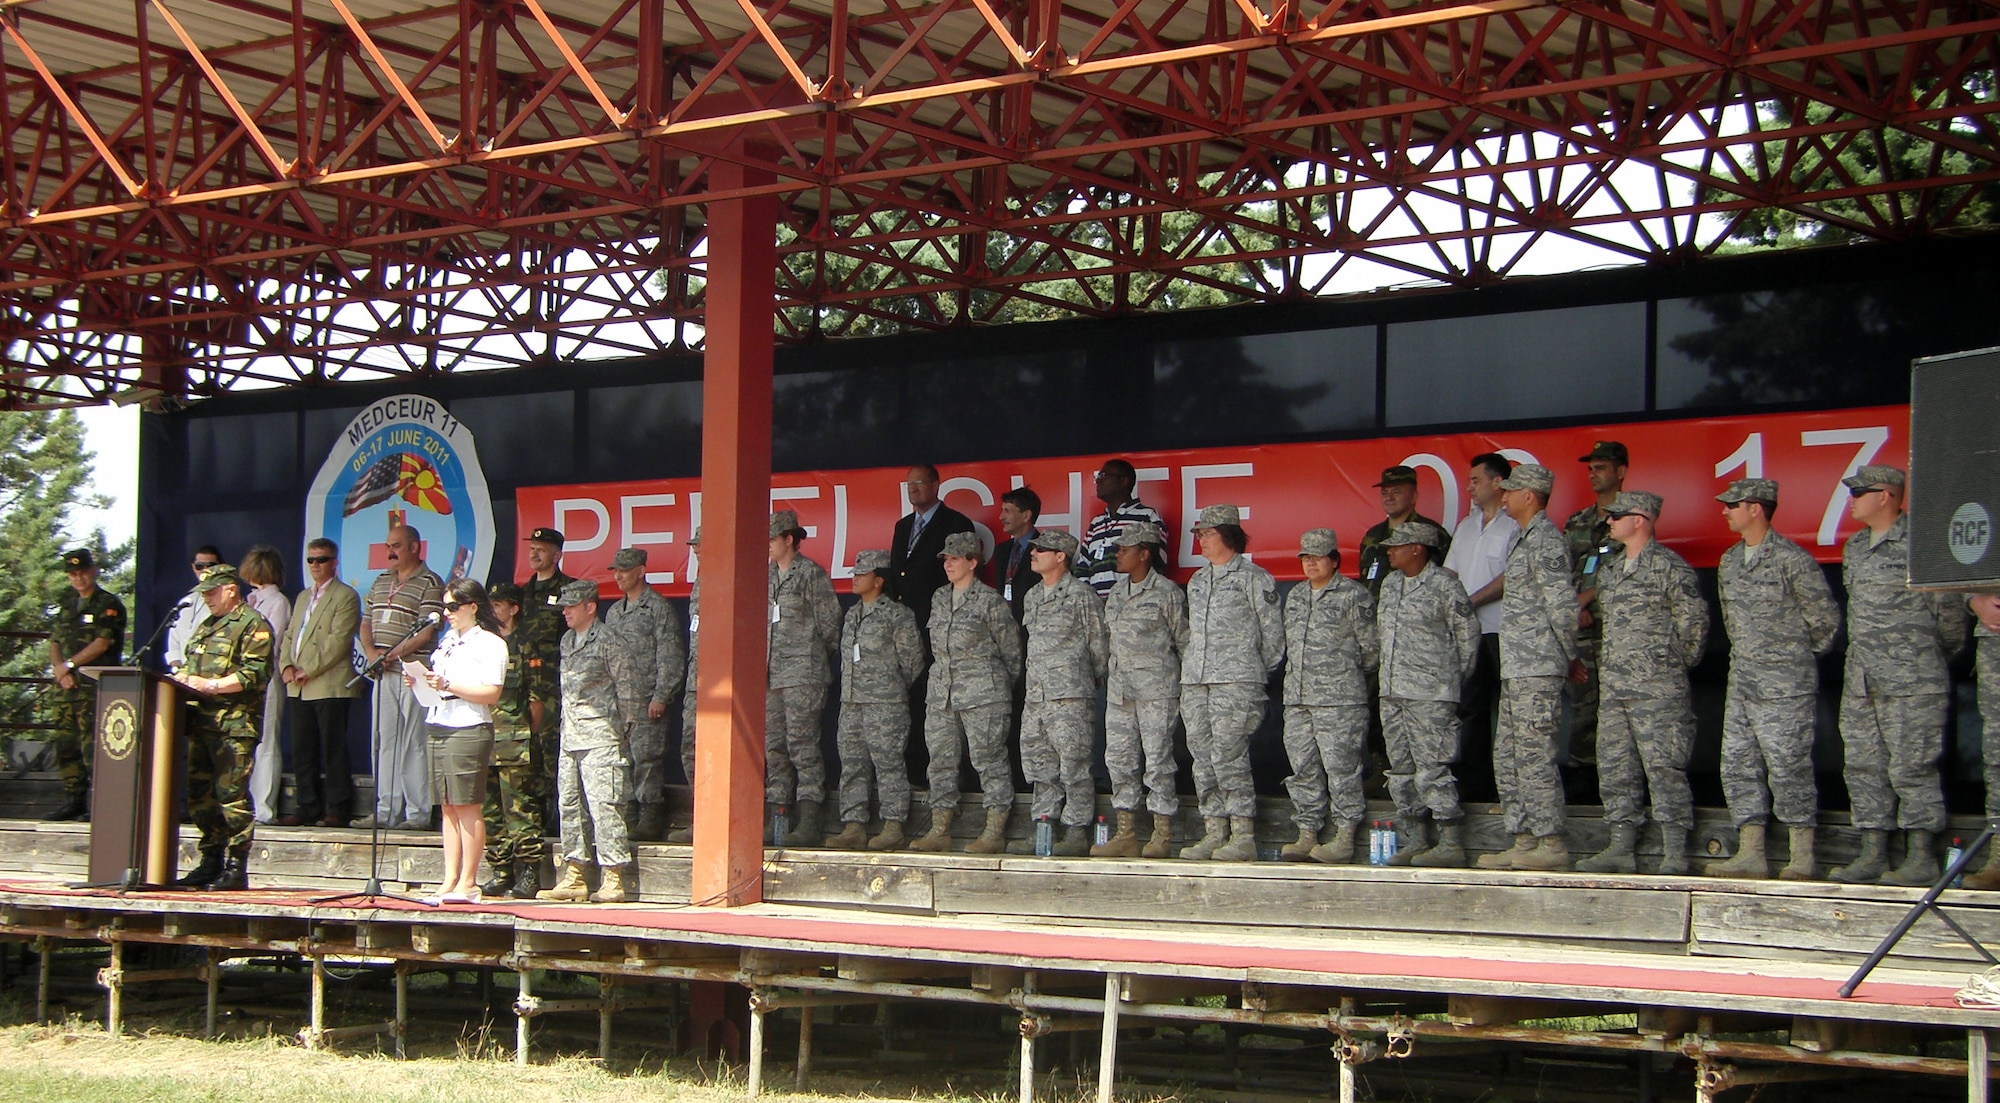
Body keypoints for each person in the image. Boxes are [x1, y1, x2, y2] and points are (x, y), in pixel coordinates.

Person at [1831, 466, 1970, 886]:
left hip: (1914, 676)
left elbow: (1949, 615)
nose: (1852, 499)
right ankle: (1873, 851)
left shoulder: (1921, 544)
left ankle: (1922, 855)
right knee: (1863, 765)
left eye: (1861, 492)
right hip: (1863, 679)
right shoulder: (1855, 547)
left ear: (1887, 496)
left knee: (1913, 766)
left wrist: (1926, 657)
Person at [1708, 479, 1840, 881]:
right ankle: (1751, 851)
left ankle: (1801, 856)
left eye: (1733, 504)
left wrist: (1790, 659)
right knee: (1737, 763)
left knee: (1787, 764)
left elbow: (1825, 621)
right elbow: (1732, 622)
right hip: (1743, 680)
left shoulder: (1790, 559)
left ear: (1756, 508)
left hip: (1785, 682)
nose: (1725, 511)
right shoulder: (1730, 560)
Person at [1576, 492, 1710, 876]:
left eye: (1618, 516)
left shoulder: (1669, 567)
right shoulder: (1611, 571)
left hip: (1658, 689)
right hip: (1617, 688)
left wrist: (1668, 667)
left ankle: (1674, 850)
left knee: (1664, 767)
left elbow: (1694, 626)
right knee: (1616, 767)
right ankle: (1621, 845)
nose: (1610, 522)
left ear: (1640, 520)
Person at [1478, 465, 1576, 872]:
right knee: (1509, 756)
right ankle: (1524, 839)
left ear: (1530, 496)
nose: (1504, 496)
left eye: (1511, 491)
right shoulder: (1522, 538)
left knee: (1535, 756)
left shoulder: (1547, 540)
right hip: (1516, 666)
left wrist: (1567, 656)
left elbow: (1563, 604)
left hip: (1537, 665)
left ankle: (1551, 841)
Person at [1181, 504, 1285, 862]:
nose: (1200, 541)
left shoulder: (1253, 578)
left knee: (1230, 756)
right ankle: (1214, 830)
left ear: (1228, 535)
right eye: (1198, 534)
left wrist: (1249, 672)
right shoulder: (1197, 581)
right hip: (1197, 681)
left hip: (1236, 681)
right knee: (1202, 756)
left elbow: (1273, 637)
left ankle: (1242, 834)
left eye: (1206, 534)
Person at [909, 531, 1021, 854]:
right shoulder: (939, 598)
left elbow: (1011, 652)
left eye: (955, 558)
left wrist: (995, 686)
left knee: (988, 759)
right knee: (940, 761)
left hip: (983, 693)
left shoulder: (989, 601)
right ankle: (940, 827)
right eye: (946, 559)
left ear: (973, 562)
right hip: (942, 693)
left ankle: (994, 829)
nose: (948, 564)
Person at [1374, 522, 1479, 868]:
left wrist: (1446, 680)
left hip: (1431, 693)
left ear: (1417, 548)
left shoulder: (1444, 585)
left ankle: (1449, 840)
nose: (1390, 551)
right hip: (1393, 692)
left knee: (1432, 767)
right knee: (1401, 770)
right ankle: (1416, 838)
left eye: (1397, 546)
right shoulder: (1390, 585)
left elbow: (1467, 637)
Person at [1279, 528, 1380, 865]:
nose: (1311, 563)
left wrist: (1343, 679)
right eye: (1306, 557)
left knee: (1341, 768)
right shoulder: (1295, 596)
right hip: (1298, 698)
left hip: (1340, 699)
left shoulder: (1354, 595)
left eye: (1318, 557)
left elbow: (1371, 650)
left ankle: (1344, 835)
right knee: (1303, 767)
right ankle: (1307, 831)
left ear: (1335, 560)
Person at [172, 564, 275, 891]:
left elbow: (253, 676)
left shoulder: (253, 625)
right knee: (200, 797)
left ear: (231, 589)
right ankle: (211, 859)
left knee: (231, 795)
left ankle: (236, 865)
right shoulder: (205, 627)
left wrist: (210, 685)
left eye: (212, 592)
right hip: (200, 724)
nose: (207, 598)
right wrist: (183, 680)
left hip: (233, 726)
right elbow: (190, 668)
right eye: (203, 593)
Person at [539, 580, 637, 903]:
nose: (565, 611)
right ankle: (576, 873)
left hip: (602, 737)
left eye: (571, 606)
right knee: (569, 805)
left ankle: (612, 877)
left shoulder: (609, 640)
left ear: (590, 607)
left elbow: (629, 690)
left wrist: (622, 731)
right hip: (571, 736)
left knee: (604, 806)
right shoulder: (568, 640)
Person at [410, 579, 506, 904]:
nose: (446, 613)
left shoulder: (490, 643)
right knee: (447, 806)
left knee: (467, 804)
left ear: (472, 607)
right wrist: (420, 681)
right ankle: (449, 877)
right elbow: (435, 685)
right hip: (438, 721)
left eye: (453, 606)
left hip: (468, 725)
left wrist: (449, 683)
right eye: (444, 606)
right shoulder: (448, 640)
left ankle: (469, 880)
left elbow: (491, 693)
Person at [1096, 522, 1188, 858]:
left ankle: (1162, 833)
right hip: (1121, 692)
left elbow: (1184, 642)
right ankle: (1126, 832)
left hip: (1156, 691)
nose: (1117, 554)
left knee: (1158, 761)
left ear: (1144, 554)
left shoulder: (1166, 593)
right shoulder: (1117, 593)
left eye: (1125, 549)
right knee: (1119, 761)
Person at [1017, 529, 1109, 856]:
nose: (1034, 552)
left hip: (1070, 695)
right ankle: (1044, 823)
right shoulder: (1031, 596)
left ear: (1061, 556)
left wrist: (1083, 681)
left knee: (1074, 764)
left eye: (1042, 549)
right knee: (1040, 764)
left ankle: (1076, 828)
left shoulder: (1081, 596)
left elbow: (1099, 646)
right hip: (1037, 696)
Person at [826, 550, 926, 850]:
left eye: (862, 574)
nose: (855, 578)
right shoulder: (853, 613)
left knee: (888, 762)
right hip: (852, 703)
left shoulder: (897, 615)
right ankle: (854, 825)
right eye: (854, 573)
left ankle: (893, 824)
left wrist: (890, 687)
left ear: (879, 580)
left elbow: (912, 661)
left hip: (885, 703)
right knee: (852, 763)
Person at [354, 525, 444, 830]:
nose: (390, 552)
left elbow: (427, 631)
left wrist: (390, 654)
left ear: (415, 547)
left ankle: (417, 814)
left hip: (413, 672)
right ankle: (384, 810)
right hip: (382, 672)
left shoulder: (431, 582)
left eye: (396, 546)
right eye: (388, 546)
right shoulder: (380, 581)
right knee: (383, 741)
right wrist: (370, 653)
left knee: (414, 743)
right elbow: (366, 622)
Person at [1441, 453, 1515, 802]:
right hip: (1467, 633)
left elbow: (1511, 577)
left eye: (1474, 480)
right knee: (1470, 708)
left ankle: (1510, 788)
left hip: (1503, 629)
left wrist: (1470, 601)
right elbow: (1450, 573)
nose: (1468, 487)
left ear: (1497, 482)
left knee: (1510, 710)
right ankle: (1475, 786)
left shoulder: (1515, 523)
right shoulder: (1466, 526)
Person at [767, 509, 843, 847]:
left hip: (804, 674)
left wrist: (812, 661)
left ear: (789, 539)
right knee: (774, 748)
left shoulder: (811, 574)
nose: (766, 546)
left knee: (803, 745)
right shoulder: (765, 576)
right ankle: (779, 819)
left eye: (772, 539)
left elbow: (830, 626)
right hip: (770, 676)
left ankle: (810, 820)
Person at [276, 538, 361, 828]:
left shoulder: (346, 596)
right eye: (311, 560)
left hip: (329, 683)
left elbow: (339, 641)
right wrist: (285, 664)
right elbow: (290, 634)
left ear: (334, 562)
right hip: (298, 685)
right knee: (302, 748)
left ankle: (338, 807)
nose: (315, 565)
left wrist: (308, 669)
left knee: (332, 747)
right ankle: (307, 805)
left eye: (321, 559)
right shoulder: (302, 596)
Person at [604, 547, 686, 840]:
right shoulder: (614, 612)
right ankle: (628, 813)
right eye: (616, 570)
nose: (619, 576)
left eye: (624, 570)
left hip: (647, 698)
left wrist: (662, 695)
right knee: (622, 759)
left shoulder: (657, 608)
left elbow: (670, 654)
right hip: (619, 702)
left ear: (641, 571)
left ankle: (651, 812)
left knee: (647, 759)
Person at [1564, 440, 1629, 801]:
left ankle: (1618, 786)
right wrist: (1575, 605)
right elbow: (1562, 571)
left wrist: (1586, 599)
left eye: (1601, 466)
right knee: (1583, 705)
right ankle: (1582, 781)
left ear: (1620, 472)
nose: (1594, 472)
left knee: (1617, 710)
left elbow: (1625, 569)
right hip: (1583, 630)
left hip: (1618, 630)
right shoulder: (1578, 521)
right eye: (1591, 467)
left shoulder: (1633, 517)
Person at [46, 548, 126, 820]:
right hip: (66, 689)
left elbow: (102, 642)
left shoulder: (108, 604)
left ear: (94, 571)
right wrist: (60, 671)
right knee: (67, 747)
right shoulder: (67, 605)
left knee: (95, 748)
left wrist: (70, 665)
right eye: (73, 574)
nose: (78, 578)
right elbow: (55, 641)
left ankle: (101, 804)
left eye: (82, 572)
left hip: (95, 689)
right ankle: (75, 800)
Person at [479, 582, 548, 898]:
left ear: (514, 608)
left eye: (498, 604)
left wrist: (526, 735)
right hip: (484, 739)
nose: (492, 610)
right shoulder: (485, 645)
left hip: (515, 740)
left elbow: (536, 700)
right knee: (490, 810)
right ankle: (501, 869)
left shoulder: (525, 647)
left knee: (519, 808)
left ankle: (530, 872)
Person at [519, 527, 575, 836]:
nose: (534, 553)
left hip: (555, 688)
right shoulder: (522, 593)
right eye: (532, 547)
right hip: (525, 688)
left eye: (541, 548)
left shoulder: (569, 591)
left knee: (553, 752)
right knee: (529, 754)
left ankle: (558, 820)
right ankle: (533, 818)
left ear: (557, 554)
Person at [238, 545, 291, 825]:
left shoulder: (278, 601)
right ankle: (245, 803)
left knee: (267, 741)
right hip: (245, 680)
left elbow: (270, 640)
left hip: (267, 677)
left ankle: (264, 808)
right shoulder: (250, 600)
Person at [887, 464, 976, 628]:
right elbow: (897, 567)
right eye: (909, 484)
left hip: (937, 617)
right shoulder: (903, 525)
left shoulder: (955, 523)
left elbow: (962, 573)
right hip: (902, 619)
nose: (912, 489)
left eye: (918, 482)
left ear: (935, 486)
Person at [1357, 467, 1451, 596]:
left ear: (1414, 496)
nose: (1389, 498)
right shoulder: (1372, 535)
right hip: (1375, 612)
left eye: (1396, 491)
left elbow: (1446, 580)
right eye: (1384, 492)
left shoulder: (1431, 534)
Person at [1078, 460, 1166, 596]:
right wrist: (1089, 598)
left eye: (1104, 475)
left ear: (1123, 481)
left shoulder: (1146, 516)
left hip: (1131, 604)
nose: (1098, 481)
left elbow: (1157, 562)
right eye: (1098, 476)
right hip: (1095, 608)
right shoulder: (1097, 523)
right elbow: (1082, 566)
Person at [1963, 592, 2000, 890]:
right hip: (1995, 637)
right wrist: (1973, 598)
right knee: (1997, 752)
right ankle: (1999, 857)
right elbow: (1954, 554)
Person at [669, 528, 701, 844]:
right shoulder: (699, 582)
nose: (697, 551)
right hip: (697, 682)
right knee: (691, 748)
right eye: (694, 546)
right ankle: (701, 815)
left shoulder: (733, 576)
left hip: (726, 683)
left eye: (702, 546)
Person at [164, 545, 222, 671]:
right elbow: (173, 639)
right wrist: (177, 668)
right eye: (200, 566)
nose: (205, 570)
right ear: (193, 568)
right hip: (182, 674)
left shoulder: (224, 600)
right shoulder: (186, 601)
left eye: (210, 565)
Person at [988, 486, 1043, 620]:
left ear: (1026, 516)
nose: (1001, 517)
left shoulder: (1044, 549)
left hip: (1034, 627)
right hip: (1005, 628)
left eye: (1007, 511)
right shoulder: (1001, 550)